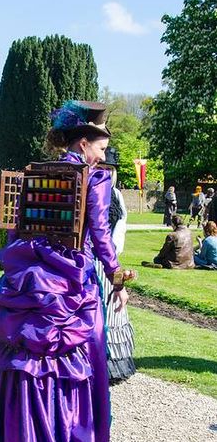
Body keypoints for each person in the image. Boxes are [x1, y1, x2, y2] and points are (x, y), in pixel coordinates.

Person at [0, 100, 133, 442]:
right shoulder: (95, 179)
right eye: (102, 145)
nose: (104, 155)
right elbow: (100, 234)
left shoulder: (34, 174)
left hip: (36, 284)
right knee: (75, 376)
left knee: (28, 368)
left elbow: (17, 227)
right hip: (71, 289)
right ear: (84, 142)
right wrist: (119, 276)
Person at [95, 148, 136, 383]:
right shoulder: (93, 192)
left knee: (114, 312)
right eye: (103, 167)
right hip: (93, 260)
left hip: (110, 259)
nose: (106, 172)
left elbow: (119, 231)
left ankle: (110, 365)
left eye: (109, 169)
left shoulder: (117, 195)